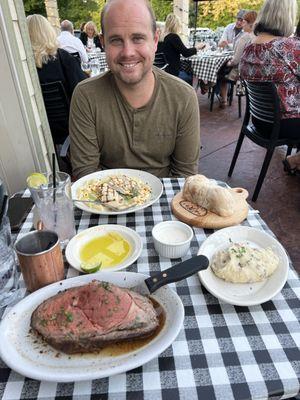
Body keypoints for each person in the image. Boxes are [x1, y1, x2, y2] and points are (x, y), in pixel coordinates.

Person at [69, 0, 200, 179]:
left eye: (138, 38)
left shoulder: (184, 97)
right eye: (116, 40)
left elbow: (184, 175)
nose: (128, 52)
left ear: (155, 40)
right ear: (103, 43)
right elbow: (86, 174)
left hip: (166, 198)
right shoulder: (85, 96)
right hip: (103, 199)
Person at [240, 0, 300, 140]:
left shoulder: (248, 48)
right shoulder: (290, 47)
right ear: (288, 16)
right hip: (287, 124)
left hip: (260, 121)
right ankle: (295, 160)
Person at [27, 14, 86, 145]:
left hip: (41, 129)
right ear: (48, 32)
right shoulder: (63, 58)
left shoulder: (25, 66)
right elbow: (84, 90)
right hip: (71, 127)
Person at [218, 11, 257, 107]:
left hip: (240, 72)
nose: (241, 23)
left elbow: (235, 61)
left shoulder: (245, 38)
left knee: (220, 73)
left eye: (243, 21)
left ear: (249, 23)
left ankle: (223, 100)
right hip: (251, 71)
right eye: (239, 20)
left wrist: (228, 63)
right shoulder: (257, 36)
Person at [163, 13, 205, 84]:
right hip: (174, 72)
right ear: (175, 25)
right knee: (191, 75)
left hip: (168, 70)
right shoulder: (173, 37)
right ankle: (189, 93)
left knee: (188, 71)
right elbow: (186, 53)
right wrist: (197, 47)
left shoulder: (166, 37)